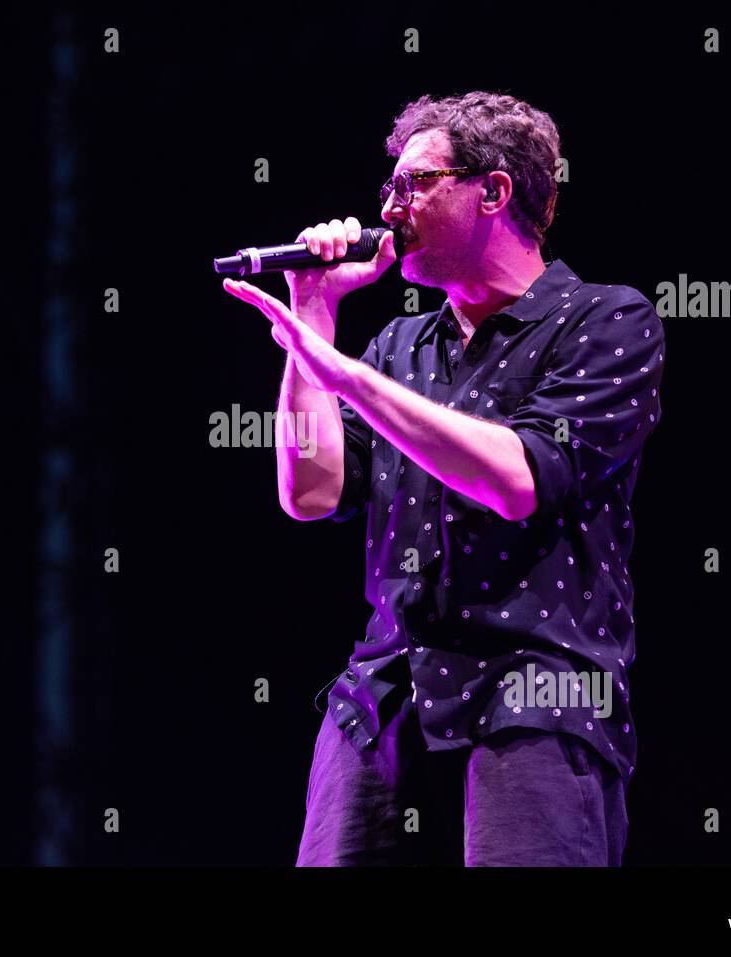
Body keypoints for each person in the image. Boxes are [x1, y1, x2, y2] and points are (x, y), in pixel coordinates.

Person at [223, 91, 664, 866]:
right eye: (388, 187)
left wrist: (346, 378)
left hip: (536, 699)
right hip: (381, 704)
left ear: (492, 190)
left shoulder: (604, 321)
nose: (389, 206)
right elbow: (311, 490)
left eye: (414, 183)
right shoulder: (398, 344)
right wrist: (313, 321)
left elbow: (519, 477)